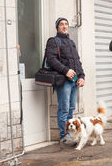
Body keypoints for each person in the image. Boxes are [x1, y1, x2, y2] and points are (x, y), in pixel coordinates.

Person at [46, 17, 85, 145]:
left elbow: (77, 62)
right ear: (57, 27)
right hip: (63, 81)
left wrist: (81, 76)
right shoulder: (54, 41)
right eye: (61, 24)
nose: (64, 26)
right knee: (64, 109)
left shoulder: (71, 42)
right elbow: (51, 60)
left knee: (71, 108)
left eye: (66, 24)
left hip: (74, 81)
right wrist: (65, 70)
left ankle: (71, 135)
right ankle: (64, 136)